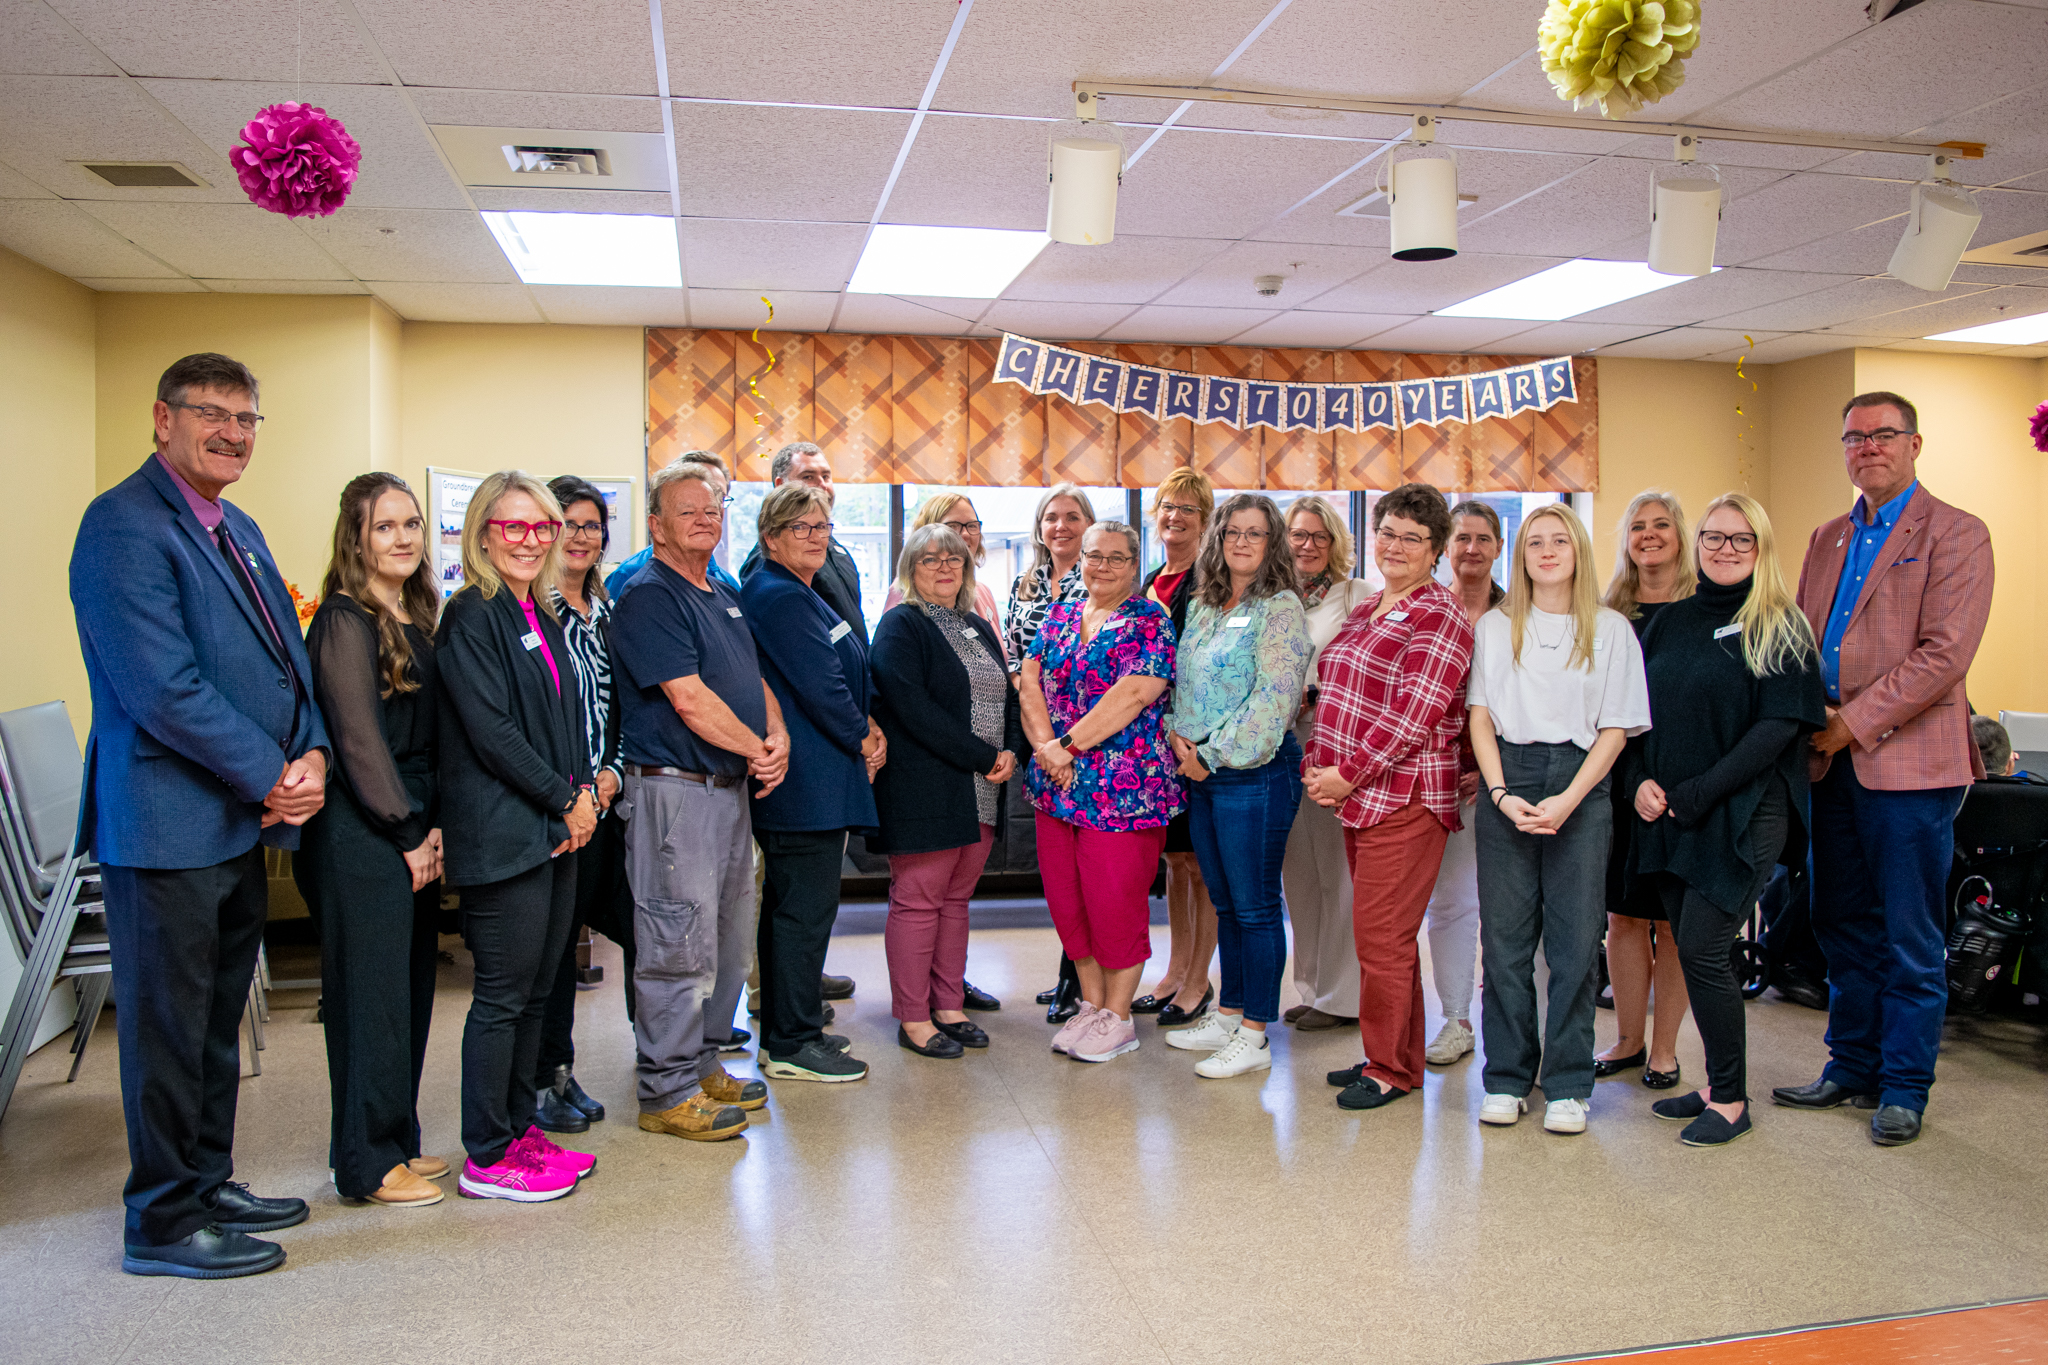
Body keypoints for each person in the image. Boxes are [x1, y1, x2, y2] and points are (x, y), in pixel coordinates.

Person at [71, 352, 331, 1277]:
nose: (230, 431)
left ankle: (208, 1177)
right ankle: (163, 1220)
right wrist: (272, 773)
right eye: (210, 412)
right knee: (169, 1028)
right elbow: (163, 690)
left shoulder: (238, 525)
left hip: (236, 821)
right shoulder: (122, 527)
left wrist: (310, 750)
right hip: (168, 823)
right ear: (162, 417)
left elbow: (286, 655)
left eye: (246, 418)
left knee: (217, 1016)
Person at [1777, 391, 1994, 1148]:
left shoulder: (1957, 534)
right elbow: (1801, 644)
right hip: (1826, 762)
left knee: (1908, 932)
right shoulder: (1828, 537)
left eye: (1882, 434)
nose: (1867, 446)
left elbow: (1944, 655)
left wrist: (1850, 725)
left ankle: (1904, 1084)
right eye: (1854, 437)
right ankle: (1851, 1062)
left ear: (1914, 443)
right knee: (1838, 921)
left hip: (1907, 764)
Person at [1629, 493, 1826, 1147]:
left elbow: (1776, 730)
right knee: (1689, 944)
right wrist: (1642, 784)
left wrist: (1698, 792)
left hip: (1742, 813)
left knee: (1708, 949)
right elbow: (1634, 717)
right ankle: (1716, 1083)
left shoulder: (1781, 625)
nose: (1724, 549)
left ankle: (1734, 1099)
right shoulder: (1670, 620)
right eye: (1714, 537)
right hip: (1672, 811)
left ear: (1761, 548)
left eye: (1741, 540)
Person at [610, 461, 784, 1143]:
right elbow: (688, 698)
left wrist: (776, 735)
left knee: (726, 938)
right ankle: (667, 1088)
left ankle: (704, 1060)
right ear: (655, 524)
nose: (705, 520)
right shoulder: (649, 596)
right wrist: (756, 748)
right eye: (688, 510)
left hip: (728, 789)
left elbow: (749, 676)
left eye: (713, 509)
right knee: (676, 942)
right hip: (676, 791)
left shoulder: (720, 590)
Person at [437, 471, 598, 1202]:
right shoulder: (474, 615)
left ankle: (518, 1124)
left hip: (553, 829)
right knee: (502, 996)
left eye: (543, 527)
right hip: (506, 833)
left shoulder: (541, 612)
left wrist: (581, 796)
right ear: (484, 533)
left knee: (538, 991)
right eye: (514, 527)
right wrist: (566, 798)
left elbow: (563, 718)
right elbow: (494, 732)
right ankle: (487, 1151)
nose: (531, 541)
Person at [1468, 503, 1650, 1135]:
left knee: (1575, 944)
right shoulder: (1494, 628)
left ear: (1578, 550)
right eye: (1534, 542)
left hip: (1582, 784)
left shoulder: (1611, 630)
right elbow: (1480, 718)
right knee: (1506, 946)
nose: (1547, 551)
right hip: (1507, 783)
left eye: (1559, 541)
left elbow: (1616, 729)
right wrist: (1498, 793)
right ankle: (1507, 1079)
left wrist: (1569, 800)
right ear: (1520, 556)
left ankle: (1569, 1083)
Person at [297, 474, 446, 1209]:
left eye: (411, 523)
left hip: (411, 820)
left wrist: (434, 824)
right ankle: (364, 1161)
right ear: (356, 537)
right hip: (365, 830)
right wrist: (409, 831)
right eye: (385, 526)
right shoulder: (343, 621)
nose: (403, 537)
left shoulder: (416, 612)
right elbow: (358, 743)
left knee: (412, 991)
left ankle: (398, 1138)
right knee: (371, 1000)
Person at [1305, 484, 1473, 1112]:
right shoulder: (1371, 606)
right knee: (1385, 939)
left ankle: (1390, 1069)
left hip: (1404, 796)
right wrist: (1320, 761)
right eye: (1387, 532)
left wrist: (1346, 771)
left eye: (1411, 537)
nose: (1395, 545)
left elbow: (1415, 715)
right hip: (1358, 797)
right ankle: (1391, 1055)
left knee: (1382, 939)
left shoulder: (1441, 614)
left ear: (1435, 551)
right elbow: (1339, 690)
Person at [1161, 496, 1311, 1078]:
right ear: (1218, 539)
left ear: (1272, 542)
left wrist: (1213, 755)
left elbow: (1273, 702)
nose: (1243, 542)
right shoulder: (1203, 604)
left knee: (1254, 908)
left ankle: (1255, 1034)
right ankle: (1228, 1012)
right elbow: (1181, 683)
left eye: (1256, 533)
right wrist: (1180, 741)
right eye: (1233, 532)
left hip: (1253, 775)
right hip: (1199, 772)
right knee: (1224, 903)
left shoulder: (1281, 609)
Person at [1023, 521, 1183, 1065]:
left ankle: (1119, 1015)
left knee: (1114, 903)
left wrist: (1067, 746)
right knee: (1068, 901)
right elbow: (1030, 678)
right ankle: (1091, 1005)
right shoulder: (1062, 614)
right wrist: (1047, 748)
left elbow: (1135, 693)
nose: (1103, 566)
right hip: (1055, 785)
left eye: (1116, 558)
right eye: (1095, 556)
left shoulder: (1149, 621)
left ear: (1134, 563)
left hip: (1124, 788)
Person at [745, 482, 883, 1083]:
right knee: (801, 916)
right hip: (805, 786)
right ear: (771, 537)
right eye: (801, 528)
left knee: (796, 914)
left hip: (819, 780)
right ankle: (792, 1042)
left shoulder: (802, 592)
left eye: (823, 527)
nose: (816, 538)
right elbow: (821, 684)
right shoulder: (777, 596)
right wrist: (861, 734)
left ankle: (790, 1030)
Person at [871, 525, 1023, 1058]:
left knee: (956, 900)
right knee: (918, 900)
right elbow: (913, 710)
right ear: (910, 568)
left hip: (981, 788)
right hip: (925, 787)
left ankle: (949, 1003)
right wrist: (986, 756)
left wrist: (1011, 752)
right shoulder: (900, 626)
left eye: (954, 561)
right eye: (930, 559)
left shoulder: (977, 626)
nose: (943, 568)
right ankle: (913, 1018)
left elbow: (1007, 695)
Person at [527, 476, 631, 1136]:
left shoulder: (605, 608)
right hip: (554, 808)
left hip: (608, 803)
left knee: (616, 931)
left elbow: (621, 705)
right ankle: (546, 1078)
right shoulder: (529, 611)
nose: (583, 535)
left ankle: (661, 1060)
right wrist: (574, 791)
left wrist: (614, 773)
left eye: (593, 524)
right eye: (569, 522)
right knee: (551, 951)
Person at [1596, 491, 1697, 1088]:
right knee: (1624, 918)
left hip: (1681, 788)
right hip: (1617, 782)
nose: (1650, 535)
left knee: (1673, 924)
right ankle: (1628, 1040)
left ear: (1681, 536)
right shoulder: (1608, 610)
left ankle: (1665, 1049)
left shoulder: (1701, 610)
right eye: (1638, 527)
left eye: (1662, 525)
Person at [1415, 499, 1506, 1066]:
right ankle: (1455, 1019)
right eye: (1461, 539)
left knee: (1512, 908)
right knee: (1450, 905)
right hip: (1440, 782)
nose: (1471, 549)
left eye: (1483, 539)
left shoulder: (1518, 613)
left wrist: (1492, 771)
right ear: (1445, 548)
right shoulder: (1427, 609)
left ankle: (1516, 1017)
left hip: (1507, 780)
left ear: (1499, 547)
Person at [1132, 469, 1222, 1030]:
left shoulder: (1211, 580)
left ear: (1206, 519)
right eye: (1168, 505)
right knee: (1174, 863)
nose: (1177, 516)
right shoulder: (1148, 579)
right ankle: (1173, 970)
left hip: (1192, 738)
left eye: (1191, 508)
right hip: (1152, 745)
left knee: (1200, 864)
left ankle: (1197, 980)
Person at [1280, 496, 1373, 1033]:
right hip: (1283, 748)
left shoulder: (1356, 596)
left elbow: (1363, 669)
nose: (1308, 545)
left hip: (1336, 749)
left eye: (1320, 536)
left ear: (1336, 543)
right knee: (1300, 874)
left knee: (1339, 875)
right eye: (1298, 535)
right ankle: (1312, 987)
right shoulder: (1274, 597)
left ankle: (1344, 997)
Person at [1008, 484, 1097, 1023]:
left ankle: (1077, 978)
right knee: (1058, 865)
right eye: (1050, 518)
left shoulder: (1100, 581)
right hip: (1035, 729)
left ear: (1089, 525)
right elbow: (1019, 659)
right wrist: (1040, 737)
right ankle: (1070, 968)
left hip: (1089, 736)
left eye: (1071, 517)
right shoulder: (1027, 582)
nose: (1060, 526)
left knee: (1087, 863)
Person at [739, 440, 867, 641]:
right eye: (808, 477)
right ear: (780, 485)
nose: (822, 485)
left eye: (826, 476)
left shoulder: (837, 549)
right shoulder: (768, 557)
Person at [605, 450, 740, 597]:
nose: (704, 516)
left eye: (717, 495)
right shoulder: (630, 576)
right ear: (657, 524)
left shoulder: (727, 584)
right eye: (689, 505)